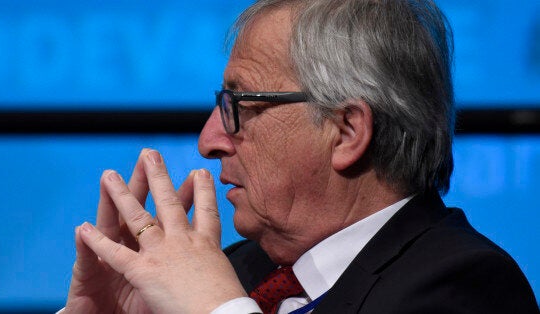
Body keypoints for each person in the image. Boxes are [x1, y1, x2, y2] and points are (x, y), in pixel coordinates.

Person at [61, 0, 539, 313]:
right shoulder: (238, 271)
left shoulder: (464, 287)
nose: (208, 140)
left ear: (346, 131)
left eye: (239, 105)